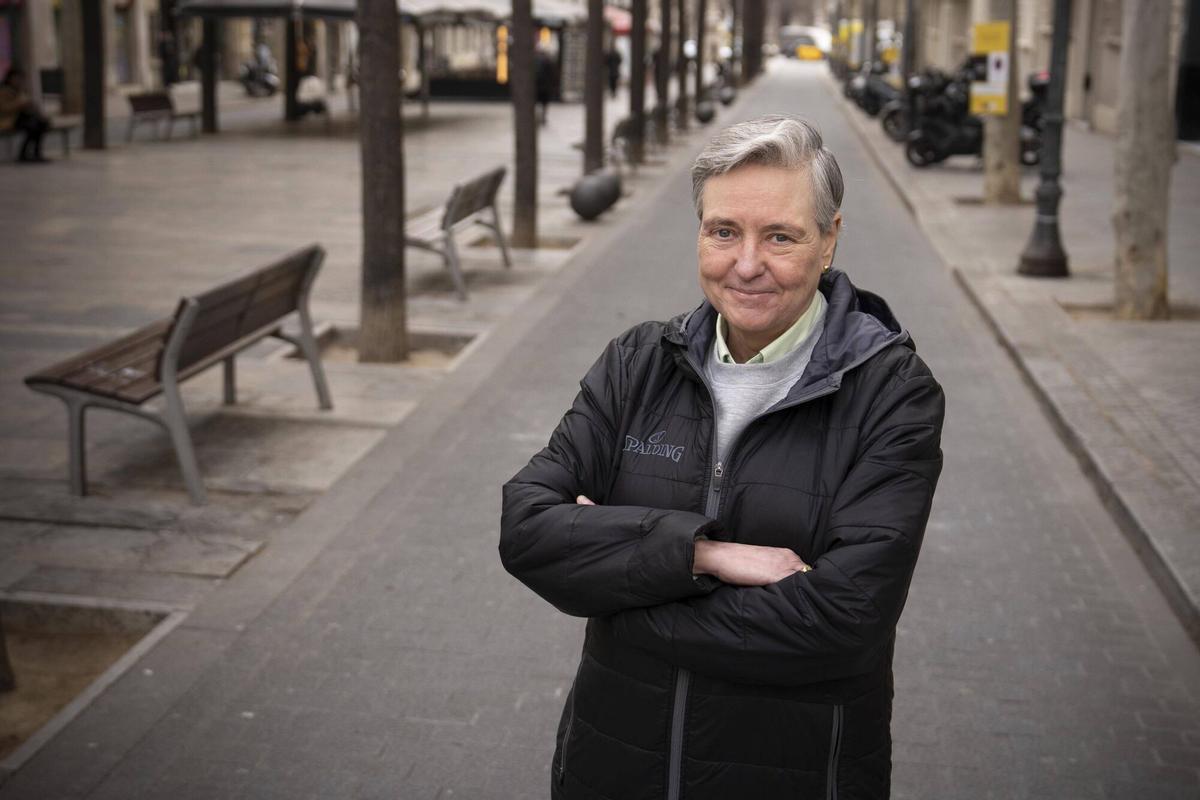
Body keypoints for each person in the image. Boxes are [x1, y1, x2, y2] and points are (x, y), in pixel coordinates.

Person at [501, 116, 945, 799]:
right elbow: (528, 528)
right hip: (612, 770)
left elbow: (841, 620)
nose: (746, 264)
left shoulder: (891, 393)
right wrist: (705, 555)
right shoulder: (637, 362)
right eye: (724, 231)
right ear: (699, 232)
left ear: (829, 241)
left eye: (781, 237)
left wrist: (617, 585)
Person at [1, 68, 51, 163]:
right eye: (16, 78)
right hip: (9, 120)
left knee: (40, 124)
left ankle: (36, 153)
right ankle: (23, 154)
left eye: (20, 79)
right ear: (10, 79)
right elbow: (4, 108)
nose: (18, 81)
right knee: (33, 126)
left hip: (21, 118)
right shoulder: (3, 91)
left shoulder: (19, 91)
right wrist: (20, 104)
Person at [534, 46, 557, 126]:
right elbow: (553, 75)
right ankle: (543, 117)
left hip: (537, 86)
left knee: (536, 102)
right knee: (544, 103)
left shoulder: (535, 60)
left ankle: (538, 116)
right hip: (545, 86)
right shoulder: (549, 61)